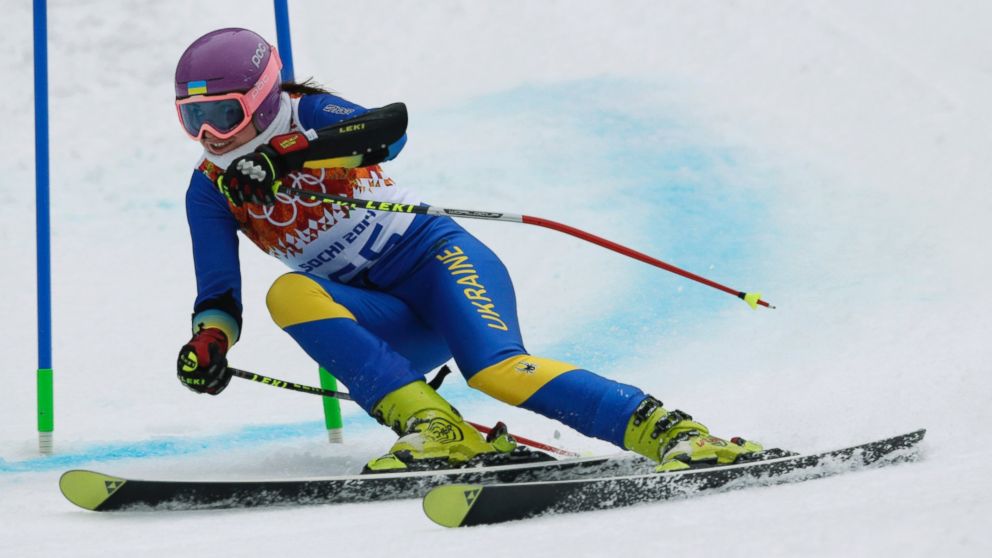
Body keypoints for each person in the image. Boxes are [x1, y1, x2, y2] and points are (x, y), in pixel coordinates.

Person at [174, 27, 762, 473]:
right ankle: (436, 428)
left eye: (223, 115)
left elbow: (390, 130)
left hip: (438, 264)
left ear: (261, 96)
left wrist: (287, 154)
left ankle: (671, 434)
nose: (211, 136)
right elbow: (219, 292)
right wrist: (210, 340)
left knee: (497, 370)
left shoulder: (309, 115)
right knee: (288, 292)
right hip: (377, 316)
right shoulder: (209, 189)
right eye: (192, 119)